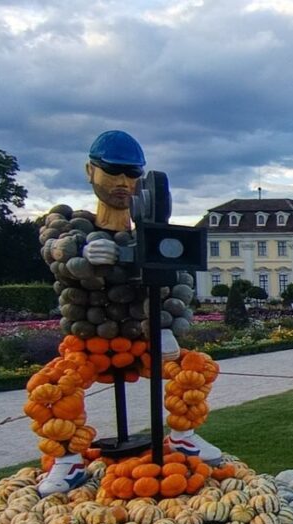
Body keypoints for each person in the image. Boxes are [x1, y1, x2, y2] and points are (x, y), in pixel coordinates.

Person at [34, 131, 224, 495]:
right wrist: (82, 251)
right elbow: (54, 249)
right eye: (113, 171)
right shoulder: (72, 225)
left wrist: (165, 326)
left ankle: (183, 436)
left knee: (194, 369)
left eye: (132, 174)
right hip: (89, 343)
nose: (123, 182)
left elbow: (175, 282)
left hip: (140, 341)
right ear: (90, 171)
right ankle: (67, 461)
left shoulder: (147, 237)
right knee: (53, 388)